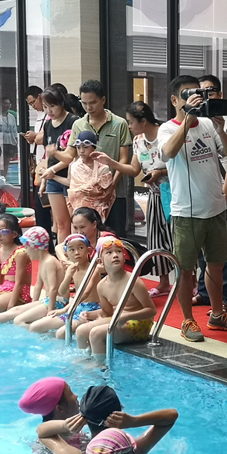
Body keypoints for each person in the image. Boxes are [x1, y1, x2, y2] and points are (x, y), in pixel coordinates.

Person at [158, 75, 227, 342]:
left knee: (217, 265)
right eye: (187, 94)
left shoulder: (208, 124)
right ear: (175, 100)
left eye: (197, 93)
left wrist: (220, 129)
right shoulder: (167, 129)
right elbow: (167, 153)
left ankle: (217, 314)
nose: (195, 98)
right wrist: (187, 121)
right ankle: (188, 320)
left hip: (216, 208)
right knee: (186, 270)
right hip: (186, 213)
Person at [97, 101, 174, 297]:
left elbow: (179, 163)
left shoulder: (166, 134)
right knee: (156, 239)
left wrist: (159, 172)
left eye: (131, 122)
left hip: (174, 194)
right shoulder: (139, 140)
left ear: (144, 121)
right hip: (155, 195)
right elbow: (133, 169)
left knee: (177, 238)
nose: (129, 126)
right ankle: (164, 282)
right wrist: (111, 162)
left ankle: (189, 281)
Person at [193, 75, 227, 313]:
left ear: (220, 94)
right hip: (204, 192)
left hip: (223, 192)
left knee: (224, 249)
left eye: (210, 92)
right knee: (204, 247)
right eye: (201, 93)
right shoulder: (197, 120)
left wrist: (224, 195)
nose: (206, 97)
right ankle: (205, 293)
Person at [0, 227, 66, 327]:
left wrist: (50, 312)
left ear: (36, 247)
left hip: (58, 302)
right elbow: (37, 286)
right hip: (48, 300)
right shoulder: (43, 261)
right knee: (15, 311)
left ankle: (39, 330)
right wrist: (33, 305)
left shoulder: (49, 262)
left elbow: (53, 289)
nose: (26, 251)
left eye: (27, 247)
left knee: (19, 320)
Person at [62, 80, 132, 236]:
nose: (88, 107)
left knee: (115, 236)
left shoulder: (119, 124)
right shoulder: (78, 124)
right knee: (86, 237)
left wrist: (111, 186)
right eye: (84, 103)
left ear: (103, 100)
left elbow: (124, 159)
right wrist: (53, 162)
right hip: (86, 197)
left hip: (115, 192)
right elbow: (70, 155)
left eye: (93, 103)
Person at [75, 237, 157, 358]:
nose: (115, 255)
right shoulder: (101, 286)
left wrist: (126, 316)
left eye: (118, 251)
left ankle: (101, 366)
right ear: (100, 262)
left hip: (140, 324)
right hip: (117, 319)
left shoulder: (133, 281)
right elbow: (107, 312)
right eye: (109, 252)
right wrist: (89, 314)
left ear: (124, 257)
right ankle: (85, 360)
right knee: (81, 331)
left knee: (96, 334)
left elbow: (151, 310)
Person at [30, 233, 101, 337]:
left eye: (81, 248)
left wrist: (64, 309)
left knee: (61, 333)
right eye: (72, 250)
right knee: (35, 327)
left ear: (88, 250)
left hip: (91, 309)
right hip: (76, 307)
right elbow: (62, 291)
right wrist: (68, 275)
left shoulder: (93, 269)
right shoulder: (72, 269)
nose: (77, 252)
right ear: (67, 254)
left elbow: (85, 293)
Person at [18, 377, 88, 454]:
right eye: (71, 393)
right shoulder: (46, 448)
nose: (76, 396)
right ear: (60, 409)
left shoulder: (72, 427)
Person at [38, 86, 79, 243]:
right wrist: (44, 179)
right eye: (45, 107)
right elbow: (49, 155)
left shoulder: (73, 121)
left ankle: (75, 253)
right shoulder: (48, 125)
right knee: (61, 224)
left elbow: (72, 156)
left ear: (61, 103)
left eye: (52, 106)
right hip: (53, 178)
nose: (49, 111)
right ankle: (62, 255)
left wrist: (52, 171)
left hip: (70, 177)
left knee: (75, 223)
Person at [66, 130, 116, 222]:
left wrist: (94, 193)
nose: (81, 151)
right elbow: (73, 191)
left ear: (93, 148)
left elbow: (106, 193)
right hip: (78, 209)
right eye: (78, 147)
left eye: (85, 147)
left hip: (97, 210)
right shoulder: (74, 166)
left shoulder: (103, 167)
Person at [24, 86, 52, 242]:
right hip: (40, 164)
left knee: (45, 209)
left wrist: (35, 137)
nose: (33, 106)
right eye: (30, 104)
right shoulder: (41, 115)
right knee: (41, 207)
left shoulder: (50, 116)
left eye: (33, 102)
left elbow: (42, 138)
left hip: (49, 166)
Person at [0, 97, 19, 179]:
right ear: (0, 105)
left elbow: (14, 130)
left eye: (9, 104)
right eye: (5, 103)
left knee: (7, 160)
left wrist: (16, 140)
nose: (7, 105)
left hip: (9, 141)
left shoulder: (11, 116)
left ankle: (4, 177)